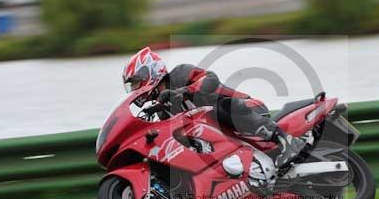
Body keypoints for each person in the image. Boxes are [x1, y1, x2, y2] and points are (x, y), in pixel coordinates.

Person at [122, 47, 305, 168]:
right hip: (224, 134)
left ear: (151, 72)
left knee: (217, 107)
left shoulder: (180, 73)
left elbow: (210, 78)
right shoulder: (162, 109)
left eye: (137, 82)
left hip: (245, 109)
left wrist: (184, 91)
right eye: (133, 85)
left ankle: (287, 141)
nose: (135, 88)